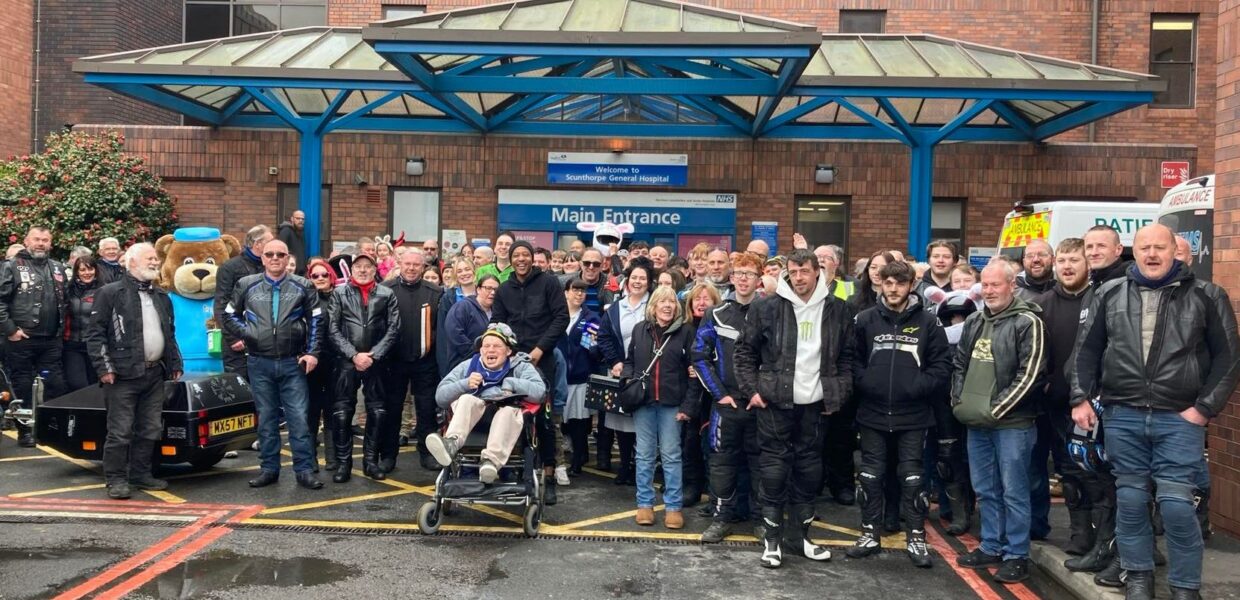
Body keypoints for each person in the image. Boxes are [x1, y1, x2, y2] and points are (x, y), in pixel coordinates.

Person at [1070, 224, 1238, 600]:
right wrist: (1080, 398)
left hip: (1180, 418)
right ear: (1135, 251)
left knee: (1177, 506)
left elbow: (1228, 359)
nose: (1151, 254)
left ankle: (1185, 587)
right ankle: (1138, 578)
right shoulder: (1110, 293)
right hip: (1122, 415)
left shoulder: (1207, 295)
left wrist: (1203, 409)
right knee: (1131, 502)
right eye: (1144, 247)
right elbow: (1086, 350)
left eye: (1159, 247)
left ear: (1174, 251)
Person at [735, 248, 853, 569]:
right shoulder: (766, 307)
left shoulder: (838, 309)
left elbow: (847, 357)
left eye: (805, 271)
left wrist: (837, 393)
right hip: (775, 403)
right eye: (794, 272)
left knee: (809, 472)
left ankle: (800, 538)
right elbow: (744, 353)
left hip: (816, 406)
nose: (799, 278)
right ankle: (772, 542)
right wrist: (752, 391)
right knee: (773, 473)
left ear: (817, 272)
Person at [846, 260, 951, 568]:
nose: (893, 289)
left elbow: (942, 366)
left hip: (913, 414)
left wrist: (916, 387)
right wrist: (868, 383)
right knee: (870, 475)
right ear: (880, 284)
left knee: (913, 477)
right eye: (887, 283)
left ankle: (916, 538)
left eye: (899, 283)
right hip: (873, 412)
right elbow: (851, 360)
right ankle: (869, 534)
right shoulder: (864, 319)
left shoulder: (929, 322)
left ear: (911, 286)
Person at [951, 261, 1046, 584]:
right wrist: (959, 401)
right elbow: (960, 364)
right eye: (986, 285)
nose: (989, 291)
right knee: (985, 489)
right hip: (976, 422)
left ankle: (1016, 554)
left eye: (996, 285)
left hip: (1013, 424)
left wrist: (996, 410)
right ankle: (991, 545)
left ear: (1012, 285)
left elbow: (1030, 374)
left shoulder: (1028, 322)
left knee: (1014, 491)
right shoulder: (975, 320)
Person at [222, 239, 323, 490]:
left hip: (293, 362)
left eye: (280, 254)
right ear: (262, 258)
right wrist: (250, 333)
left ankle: (304, 470)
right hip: (259, 362)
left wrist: (312, 353)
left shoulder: (303, 285)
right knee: (266, 419)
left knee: (298, 419)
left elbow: (316, 320)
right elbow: (229, 314)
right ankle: (269, 469)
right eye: (270, 254)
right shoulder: (246, 284)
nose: (275, 258)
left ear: (288, 258)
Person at [86, 243, 183, 499]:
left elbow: (169, 333)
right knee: (120, 431)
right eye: (149, 258)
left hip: (154, 373)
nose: (155, 262)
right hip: (121, 375)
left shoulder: (161, 296)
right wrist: (104, 368)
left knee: (150, 427)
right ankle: (116, 479)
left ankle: (140, 474)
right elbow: (95, 334)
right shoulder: (110, 293)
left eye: (155, 258)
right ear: (131, 263)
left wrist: (175, 363)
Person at [1062, 224, 1130, 579]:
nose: (1094, 252)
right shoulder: (1095, 288)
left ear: (1118, 249)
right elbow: (1085, 348)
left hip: (1116, 399)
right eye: (1089, 246)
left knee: (1121, 481)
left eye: (1101, 246)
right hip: (1092, 399)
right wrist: (1080, 394)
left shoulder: (1124, 286)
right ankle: (1103, 548)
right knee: (1097, 476)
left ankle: (1122, 556)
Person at [491, 240, 569, 504]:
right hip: (512, 361)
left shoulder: (549, 283)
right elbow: (497, 323)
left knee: (544, 420)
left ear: (532, 258)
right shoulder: (504, 289)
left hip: (541, 360)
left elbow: (561, 318)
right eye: (517, 255)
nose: (521, 259)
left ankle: (548, 474)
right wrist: (505, 351)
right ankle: (511, 471)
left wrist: (539, 350)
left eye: (526, 254)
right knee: (509, 414)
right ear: (511, 259)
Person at [1031, 238, 1095, 557]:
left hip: (1089, 406)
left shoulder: (1100, 300)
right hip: (1048, 405)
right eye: (1063, 261)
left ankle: (1086, 534)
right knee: (1043, 471)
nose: (1067, 267)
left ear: (1088, 264)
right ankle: (1036, 527)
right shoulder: (1042, 304)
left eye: (1075, 260)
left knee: (1082, 472)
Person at [695, 252, 764, 543]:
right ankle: (722, 518)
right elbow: (699, 356)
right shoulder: (716, 313)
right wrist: (719, 394)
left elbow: (782, 358)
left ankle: (762, 521)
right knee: (722, 463)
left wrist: (764, 394)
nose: (743, 279)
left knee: (761, 464)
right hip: (726, 404)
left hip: (761, 405)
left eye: (750, 274)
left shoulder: (772, 312)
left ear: (759, 279)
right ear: (731, 278)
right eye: (739, 274)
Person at [425, 323, 546, 482]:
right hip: (473, 423)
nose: (490, 350)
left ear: (508, 351)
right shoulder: (468, 366)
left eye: (497, 346)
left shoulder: (520, 366)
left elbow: (540, 393)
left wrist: (512, 383)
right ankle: (451, 444)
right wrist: (465, 384)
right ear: (481, 350)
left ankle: (491, 462)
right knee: (467, 399)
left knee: (507, 411)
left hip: (507, 422)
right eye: (486, 346)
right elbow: (440, 397)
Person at [626, 286, 698, 530]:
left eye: (671, 302)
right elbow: (630, 361)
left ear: (677, 307)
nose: (667, 306)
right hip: (643, 403)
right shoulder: (640, 330)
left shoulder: (686, 332)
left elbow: (693, 373)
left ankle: (673, 507)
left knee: (671, 456)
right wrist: (628, 380)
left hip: (672, 404)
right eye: (662, 301)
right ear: (653, 306)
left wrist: (688, 406)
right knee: (644, 455)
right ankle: (644, 504)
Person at [328, 253, 401, 482]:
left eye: (367, 266)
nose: (362, 270)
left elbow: (393, 328)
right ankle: (343, 464)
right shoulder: (339, 293)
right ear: (351, 270)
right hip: (346, 361)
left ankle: (370, 462)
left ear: (374, 270)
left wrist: (374, 355)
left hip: (376, 362)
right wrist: (353, 355)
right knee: (342, 413)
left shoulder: (386, 294)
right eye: (358, 266)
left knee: (377, 412)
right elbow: (332, 329)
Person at [0, 226, 68, 447]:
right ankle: (25, 431)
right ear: (27, 241)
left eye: (45, 240)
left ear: (50, 243)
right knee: (22, 385)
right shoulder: (11, 266)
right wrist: (10, 330)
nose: (41, 243)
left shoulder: (57, 267)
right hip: (21, 339)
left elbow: (66, 300)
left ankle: (48, 429)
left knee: (55, 384)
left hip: (51, 340)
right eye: (37, 239)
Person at [384, 249, 444, 471]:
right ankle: (388, 456)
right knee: (392, 410)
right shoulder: (386, 289)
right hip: (394, 361)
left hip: (425, 361)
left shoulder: (435, 292)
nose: (411, 268)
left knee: (426, 410)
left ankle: (427, 455)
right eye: (407, 264)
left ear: (423, 267)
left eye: (416, 265)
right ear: (400, 264)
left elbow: (440, 326)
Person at [597, 258, 654, 482]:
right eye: (634, 278)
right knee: (621, 421)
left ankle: (642, 467)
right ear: (627, 281)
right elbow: (603, 337)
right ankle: (624, 464)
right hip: (622, 370)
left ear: (649, 282)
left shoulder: (654, 306)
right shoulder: (615, 308)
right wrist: (614, 362)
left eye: (643, 278)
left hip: (648, 371)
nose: (637, 282)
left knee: (643, 421)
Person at [679, 283, 721, 507]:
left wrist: (705, 369)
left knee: (711, 447)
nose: (701, 303)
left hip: (711, 396)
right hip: (687, 395)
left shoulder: (720, 327)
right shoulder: (684, 329)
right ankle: (691, 487)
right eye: (697, 299)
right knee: (690, 445)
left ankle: (715, 494)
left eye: (707, 298)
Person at [215, 225, 272, 379]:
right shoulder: (230, 267)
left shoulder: (269, 267)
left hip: (265, 341)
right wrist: (232, 337)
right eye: (270, 241)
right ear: (258, 244)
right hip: (238, 340)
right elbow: (221, 304)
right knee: (240, 385)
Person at [557, 278, 601, 476]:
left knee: (579, 422)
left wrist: (593, 346)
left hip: (579, 378)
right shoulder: (556, 315)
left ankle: (577, 462)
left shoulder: (591, 318)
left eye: (583, 291)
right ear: (566, 292)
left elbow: (592, 350)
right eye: (575, 290)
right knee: (559, 421)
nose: (579, 294)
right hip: (558, 378)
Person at [305, 259, 339, 473]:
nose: (320, 278)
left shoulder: (339, 298)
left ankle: (332, 458)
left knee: (332, 411)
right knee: (310, 412)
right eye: (315, 275)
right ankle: (310, 459)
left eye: (324, 274)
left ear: (331, 276)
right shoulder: (304, 299)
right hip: (310, 362)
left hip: (335, 361)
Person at [442, 274, 498, 377]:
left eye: (496, 289)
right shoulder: (463, 307)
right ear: (478, 289)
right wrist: (476, 352)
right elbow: (455, 333)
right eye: (488, 288)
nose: (493, 292)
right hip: (463, 365)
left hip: (488, 367)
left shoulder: (496, 312)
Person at [63, 256, 103, 393]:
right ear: (77, 272)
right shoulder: (68, 290)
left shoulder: (103, 290)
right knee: (77, 383)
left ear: (96, 270)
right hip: (72, 344)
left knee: (94, 383)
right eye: (83, 270)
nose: (87, 273)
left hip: (95, 345)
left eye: (90, 269)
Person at [571, 248, 616, 314]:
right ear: (581, 264)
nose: (591, 267)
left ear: (601, 266)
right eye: (587, 263)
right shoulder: (565, 282)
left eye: (596, 264)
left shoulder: (611, 282)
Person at [276, 210, 307, 275]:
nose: (301, 220)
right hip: (289, 271)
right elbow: (280, 251)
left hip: (299, 273)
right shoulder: (286, 231)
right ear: (292, 219)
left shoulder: (300, 233)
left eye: (303, 219)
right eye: (298, 218)